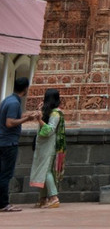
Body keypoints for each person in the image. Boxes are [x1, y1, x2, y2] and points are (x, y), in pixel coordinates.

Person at [0, 77, 40, 214]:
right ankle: (4, 203)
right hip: (8, 142)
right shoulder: (14, 103)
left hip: (3, 141)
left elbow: (13, 116)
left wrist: (27, 115)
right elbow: (10, 122)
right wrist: (27, 119)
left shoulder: (8, 100)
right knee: (5, 174)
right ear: (26, 89)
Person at [29, 89, 64, 209]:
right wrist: (40, 111)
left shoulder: (56, 113)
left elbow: (49, 130)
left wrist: (39, 120)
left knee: (47, 171)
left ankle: (54, 197)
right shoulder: (49, 112)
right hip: (43, 146)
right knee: (42, 171)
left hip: (49, 146)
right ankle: (43, 198)